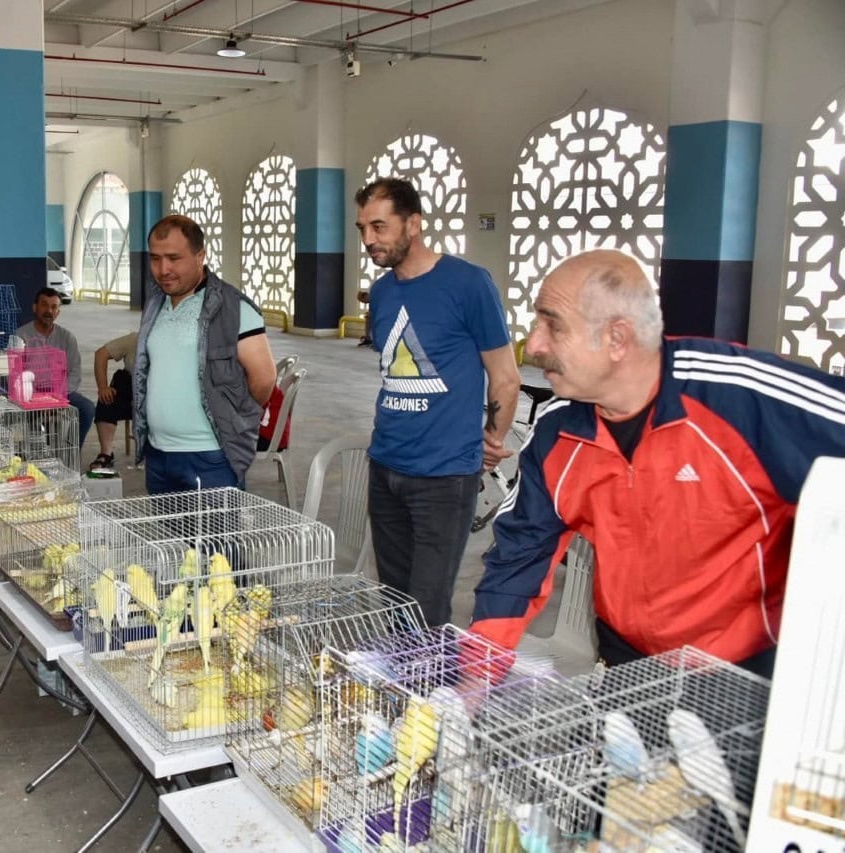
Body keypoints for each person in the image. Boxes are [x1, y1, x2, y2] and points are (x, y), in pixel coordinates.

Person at [470, 249, 845, 677]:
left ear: (617, 338)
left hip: (744, 672)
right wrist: (477, 671)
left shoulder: (739, 397)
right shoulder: (558, 431)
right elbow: (520, 554)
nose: (534, 346)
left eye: (552, 325)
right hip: (626, 661)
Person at [355, 177, 520, 627]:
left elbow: (505, 376)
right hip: (385, 466)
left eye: (379, 226)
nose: (368, 239)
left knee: (427, 611)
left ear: (414, 224)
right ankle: (400, 674)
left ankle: (428, 676)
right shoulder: (383, 293)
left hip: (443, 477)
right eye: (362, 228)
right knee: (394, 602)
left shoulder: (468, 284)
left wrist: (492, 439)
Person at [133, 214, 277, 493]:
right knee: (165, 525)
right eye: (155, 258)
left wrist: (236, 422)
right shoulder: (155, 304)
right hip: (158, 455)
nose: (163, 269)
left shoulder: (234, 308)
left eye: (174, 258)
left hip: (211, 458)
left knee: (216, 526)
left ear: (200, 256)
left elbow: (264, 378)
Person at [15, 286, 95, 447]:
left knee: (87, 408)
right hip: (31, 394)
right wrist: (37, 399)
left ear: (58, 312)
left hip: (61, 392)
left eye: (54, 307)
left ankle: (72, 453)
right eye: (44, 305)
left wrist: (58, 397)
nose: (49, 311)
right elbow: (15, 373)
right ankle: (32, 453)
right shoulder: (20, 335)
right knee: (15, 414)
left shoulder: (67, 338)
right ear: (35, 307)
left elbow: (75, 372)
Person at [90, 330, 137, 470]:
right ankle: (106, 453)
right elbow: (101, 354)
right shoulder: (135, 339)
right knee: (109, 393)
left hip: (159, 396)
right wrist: (103, 387)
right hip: (132, 393)